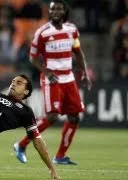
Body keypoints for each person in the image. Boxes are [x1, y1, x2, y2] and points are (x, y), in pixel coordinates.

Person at [14, 0, 92, 165]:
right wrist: (46, 72)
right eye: (53, 9)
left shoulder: (72, 30)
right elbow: (33, 58)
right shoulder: (42, 33)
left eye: (59, 9)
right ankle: (21, 145)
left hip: (69, 78)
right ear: (49, 12)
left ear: (64, 11)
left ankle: (60, 156)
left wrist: (84, 72)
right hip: (52, 79)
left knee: (74, 117)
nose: (56, 12)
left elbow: (77, 52)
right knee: (52, 116)